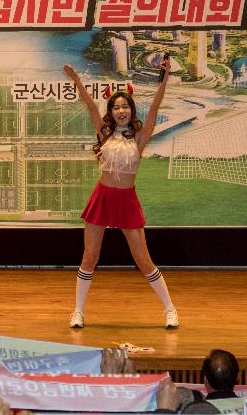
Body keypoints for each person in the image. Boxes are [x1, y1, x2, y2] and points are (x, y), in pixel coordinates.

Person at [61, 61, 177, 329]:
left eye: (125, 106)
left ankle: (170, 309)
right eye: (116, 107)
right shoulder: (103, 134)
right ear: (111, 112)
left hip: (126, 199)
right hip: (102, 197)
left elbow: (156, 109)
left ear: (130, 110)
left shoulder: (139, 138)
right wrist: (78, 81)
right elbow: (90, 106)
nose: (121, 110)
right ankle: (78, 311)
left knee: (143, 260)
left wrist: (165, 78)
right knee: (90, 256)